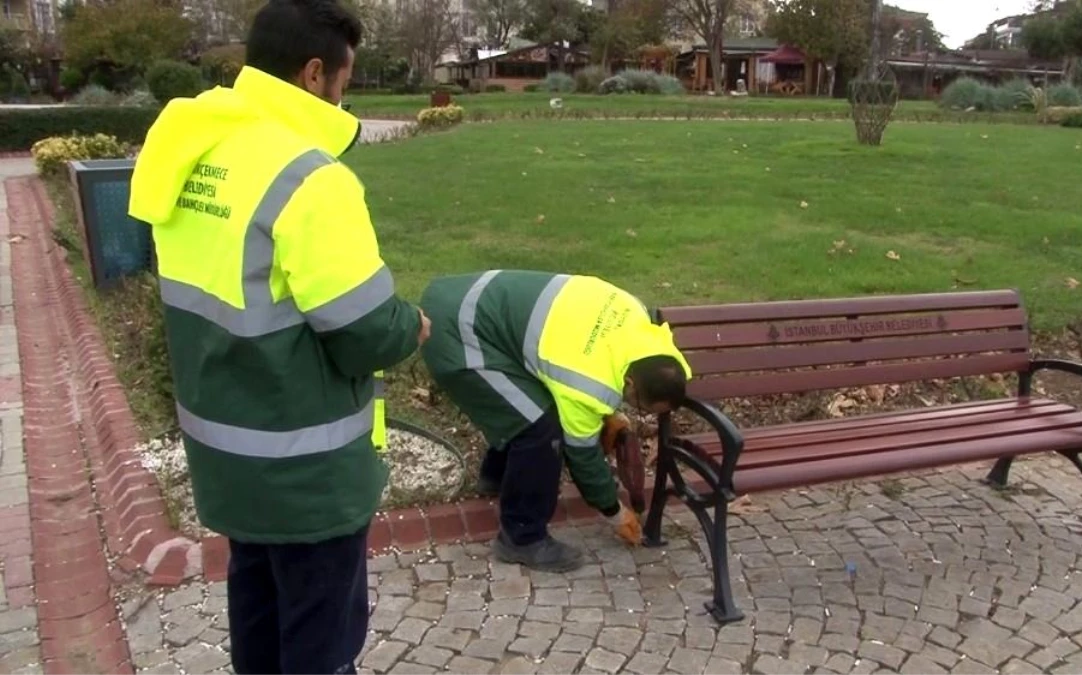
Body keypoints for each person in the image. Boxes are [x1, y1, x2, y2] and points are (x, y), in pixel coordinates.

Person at [127, 0, 429, 672]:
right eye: (345, 83)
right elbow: (364, 331)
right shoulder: (310, 177)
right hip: (305, 469)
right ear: (314, 73)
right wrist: (411, 323)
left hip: (226, 453)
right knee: (322, 643)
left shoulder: (194, 145)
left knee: (257, 613)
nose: (344, 97)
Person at [419, 270, 692, 572]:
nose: (639, 411)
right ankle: (521, 537)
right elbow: (583, 456)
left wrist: (609, 414)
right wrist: (616, 513)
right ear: (629, 383)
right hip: (455, 332)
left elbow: (584, 356)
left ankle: (497, 477)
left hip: (466, 293)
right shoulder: (587, 384)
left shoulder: (637, 317)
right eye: (640, 404)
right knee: (540, 429)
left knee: (526, 405)